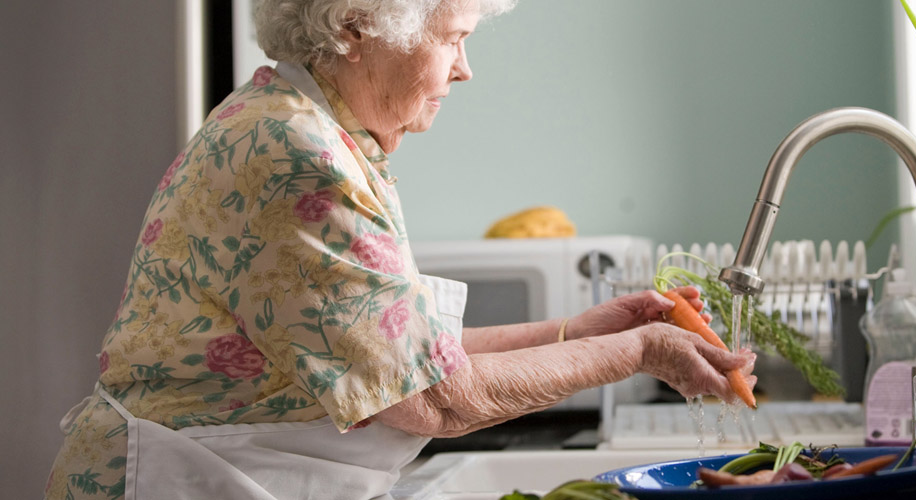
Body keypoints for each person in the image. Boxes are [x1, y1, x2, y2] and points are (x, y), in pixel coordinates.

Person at [46, 0, 756, 498]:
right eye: (453, 38)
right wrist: (639, 352)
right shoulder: (297, 157)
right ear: (357, 27)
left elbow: (406, 355)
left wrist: (583, 331)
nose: (465, 68)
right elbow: (435, 400)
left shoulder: (309, 130)